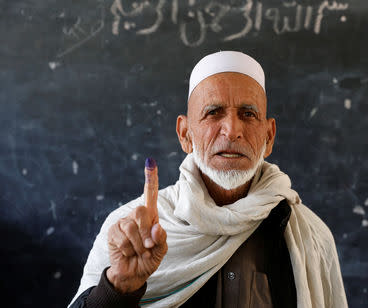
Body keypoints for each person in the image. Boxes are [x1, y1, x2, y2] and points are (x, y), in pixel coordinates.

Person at [68, 51, 348, 308]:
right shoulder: (130, 231)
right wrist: (118, 287)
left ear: (269, 136)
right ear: (185, 134)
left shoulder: (310, 237)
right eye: (214, 112)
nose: (232, 130)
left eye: (248, 114)